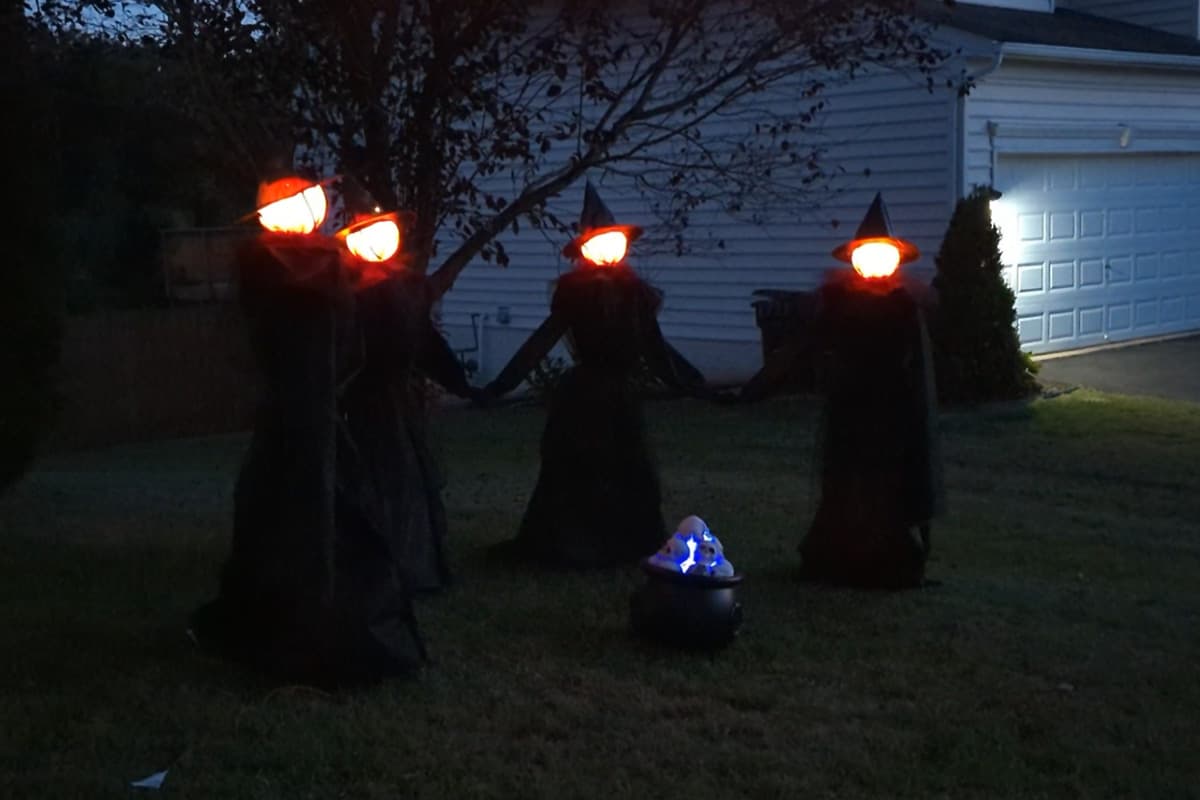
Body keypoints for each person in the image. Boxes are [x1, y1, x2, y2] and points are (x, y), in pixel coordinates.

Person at [190, 176, 429, 685]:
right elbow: (266, 345)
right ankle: (291, 618)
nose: (302, 215)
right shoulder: (271, 272)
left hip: (315, 420)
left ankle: (322, 612)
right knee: (289, 510)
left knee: (325, 511)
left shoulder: (325, 273)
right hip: (297, 420)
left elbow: (350, 347)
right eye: (289, 207)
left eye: (309, 204)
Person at [482, 183, 707, 568]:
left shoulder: (636, 296)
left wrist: (691, 383)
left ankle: (624, 544)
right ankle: (574, 545)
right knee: (577, 468)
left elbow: (655, 348)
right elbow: (541, 341)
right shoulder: (574, 294)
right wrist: (500, 385)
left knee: (628, 469)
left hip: (620, 396)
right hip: (583, 398)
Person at [739, 193, 942, 589]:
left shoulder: (905, 306)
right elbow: (803, 348)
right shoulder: (837, 304)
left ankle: (888, 560)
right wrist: (754, 389)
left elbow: (919, 366)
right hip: (849, 408)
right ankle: (838, 557)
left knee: (886, 487)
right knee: (846, 484)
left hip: (892, 411)